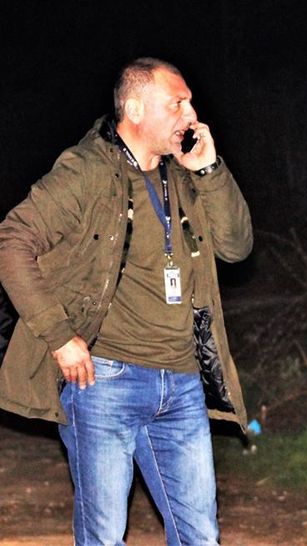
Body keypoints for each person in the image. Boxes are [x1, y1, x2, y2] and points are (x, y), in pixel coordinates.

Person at [0, 57, 252, 545]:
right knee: (104, 536)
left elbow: (236, 246)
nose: (191, 114)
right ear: (134, 109)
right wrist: (59, 336)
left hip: (182, 382)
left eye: (190, 103)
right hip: (105, 382)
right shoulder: (88, 170)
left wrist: (210, 169)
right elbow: (12, 241)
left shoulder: (184, 174)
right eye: (177, 103)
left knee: (201, 535)